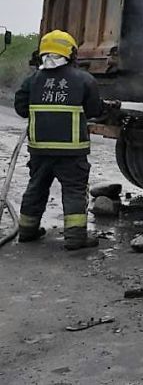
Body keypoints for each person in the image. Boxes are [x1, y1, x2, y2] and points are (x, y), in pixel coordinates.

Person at [13, 30, 105, 250]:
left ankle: (26, 231)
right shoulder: (84, 79)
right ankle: (75, 238)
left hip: (40, 150)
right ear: (71, 53)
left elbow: (21, 109)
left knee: (36, 188)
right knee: (74, 191)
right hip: (71, 152)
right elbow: (94, 110)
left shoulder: (32, 81)